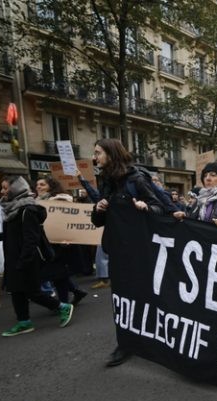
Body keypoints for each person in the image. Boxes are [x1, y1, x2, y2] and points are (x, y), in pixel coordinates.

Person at [90, 138, 165, 367]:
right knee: (121, 299)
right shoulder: (105, 182)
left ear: (111, 154)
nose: (95, 157)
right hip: (116, 249)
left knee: (144, 296)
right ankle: (125, 343)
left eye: (98, 153)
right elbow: (97, 221)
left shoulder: (136, 179)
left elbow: (159, 208)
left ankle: (153, 338)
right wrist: (98, 208)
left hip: (140, 251)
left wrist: (146, 208)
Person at [0, 176, 74, 337]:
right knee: (16, 290)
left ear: (16, 189)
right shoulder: (10, 209)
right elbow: (13, 235)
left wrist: (24, 261)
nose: (2, 191)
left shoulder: (27, 210)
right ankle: (24, 322)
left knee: (31, 292)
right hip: (13, 257)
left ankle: (62, 307)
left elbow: (31, 239)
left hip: (26, 259)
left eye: (5, 188)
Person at [36, 177, 88, 306]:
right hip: (49, 244)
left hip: (63, 244)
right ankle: (75, 292)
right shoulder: (37, 201)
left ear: (51, 187)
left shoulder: (60, 200)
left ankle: (64, 304)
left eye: (42, 184)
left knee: (58, 274)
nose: (38, 187)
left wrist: (67, 237)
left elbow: (68, 221)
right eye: (37, 185)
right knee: (57, 274)